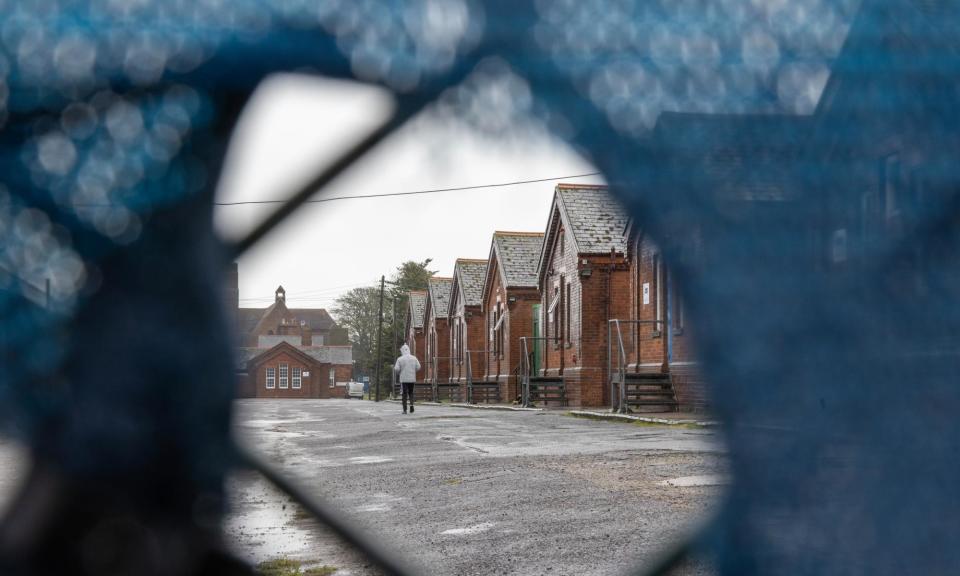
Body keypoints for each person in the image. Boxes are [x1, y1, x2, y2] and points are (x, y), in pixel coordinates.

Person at [394, 344, 421, 414]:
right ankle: (411, 405)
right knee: (411, 392)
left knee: (404, 393)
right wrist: (413, 371)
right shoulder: (414, 358)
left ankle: (405, 409)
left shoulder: (400, 359)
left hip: (404, 379)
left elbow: (396, 368)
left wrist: (399, 372)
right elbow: (418, 367)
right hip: (412, 379)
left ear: (402, 351)